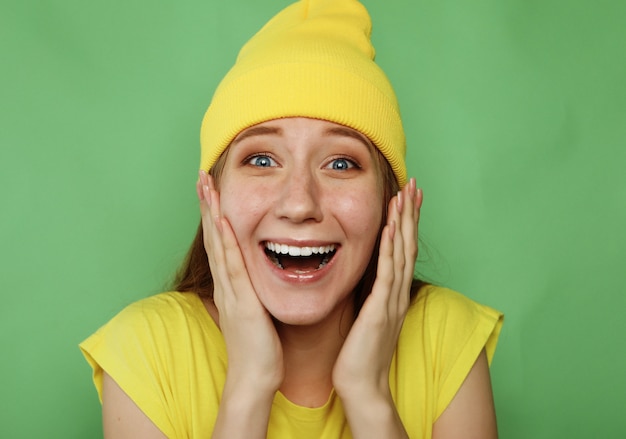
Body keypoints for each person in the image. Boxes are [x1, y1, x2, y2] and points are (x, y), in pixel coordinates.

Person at [80, 0, 503, 437]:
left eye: (341, 164)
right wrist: (249, 385)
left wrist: (367, 393)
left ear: (389, 202)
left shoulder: (447, 338)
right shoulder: (146, 349)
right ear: (212, 195)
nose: (299, 205)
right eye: (262, 159)